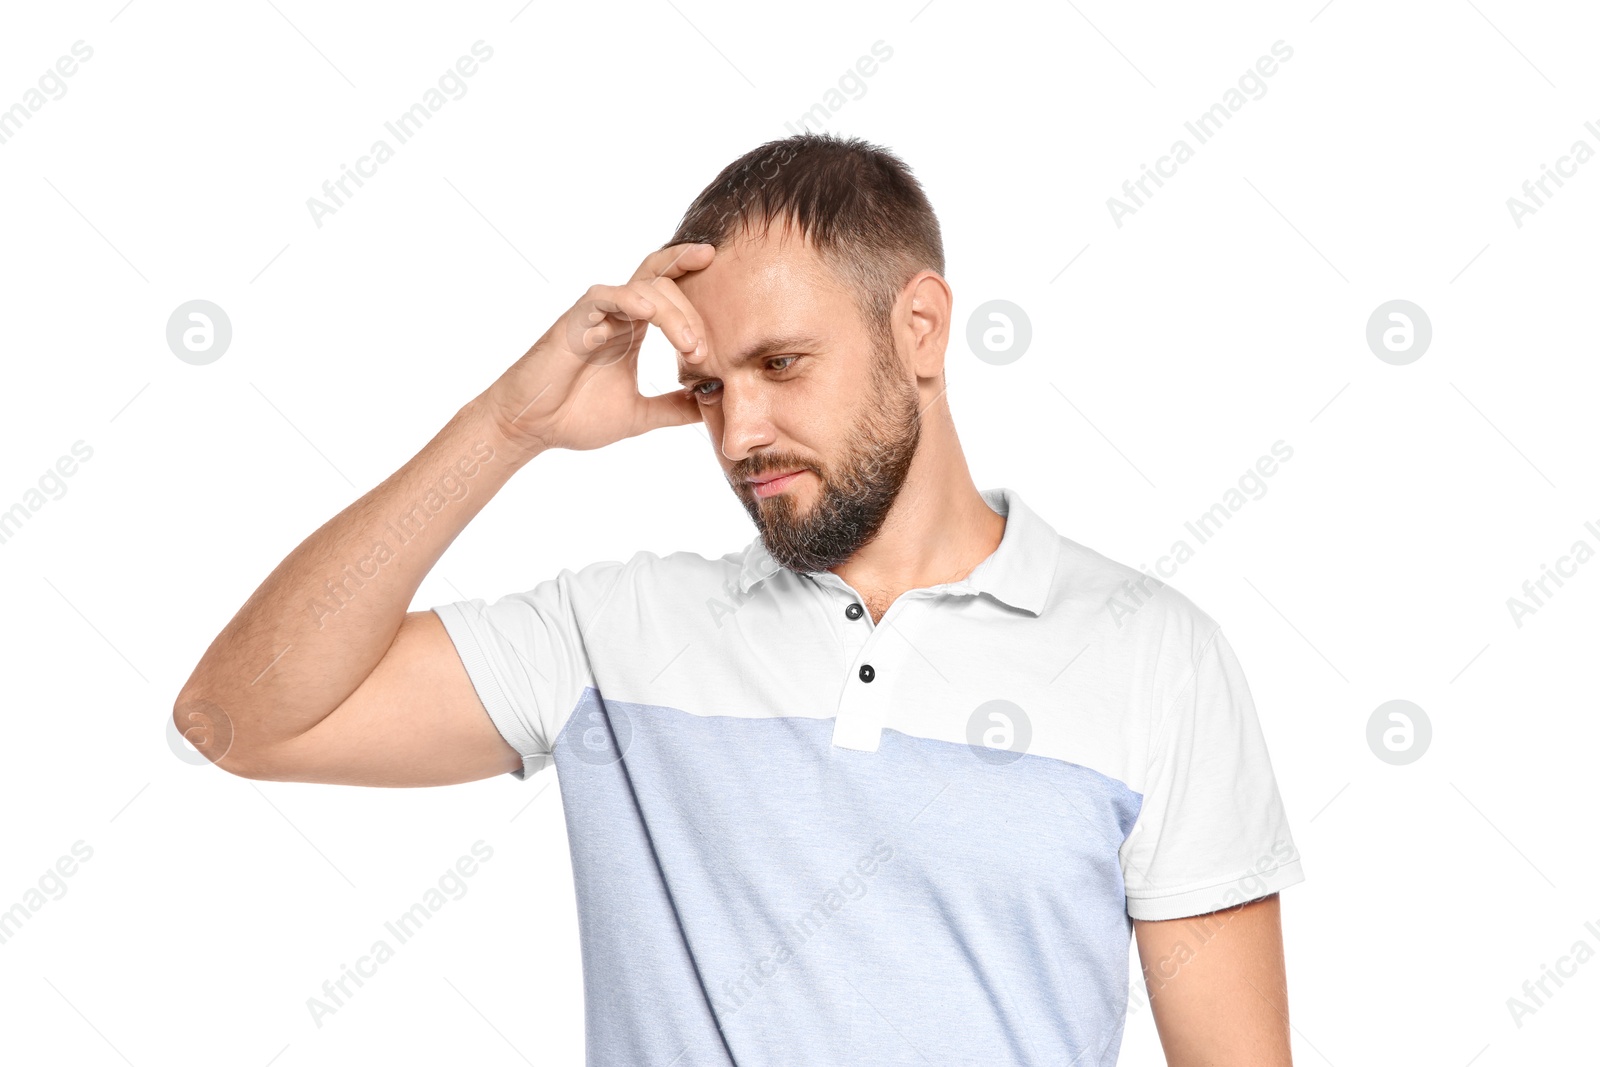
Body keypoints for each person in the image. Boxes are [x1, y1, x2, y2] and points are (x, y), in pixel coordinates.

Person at [176, 132, 1304, 1066]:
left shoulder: (1153, 657)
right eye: (708, 385)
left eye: (780, 365)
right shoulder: (614, 639)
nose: (737, 432)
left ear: (919, 326)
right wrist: (505, 429)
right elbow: (237, 718)